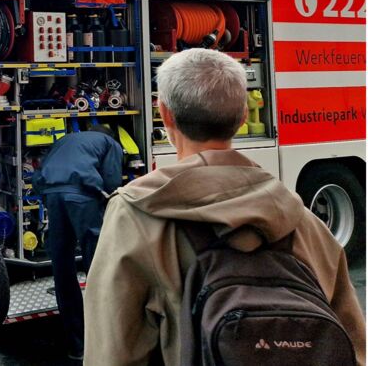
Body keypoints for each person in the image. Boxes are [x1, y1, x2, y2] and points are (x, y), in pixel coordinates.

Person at [85, 48, 367, 366]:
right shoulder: (305, 222)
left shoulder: (134, 216)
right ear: (244, 116)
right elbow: (353, 345)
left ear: (165, 114)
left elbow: (112, 350)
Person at [31, 125, 123, 361]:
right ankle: (101, 342)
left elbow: (40, 174)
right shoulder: (109, 143)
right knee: (97, 267)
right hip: (81, 195)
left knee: (62, 268)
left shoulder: (65, 140)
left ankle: (77, 345)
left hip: (53, 195)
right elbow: (112, 181)